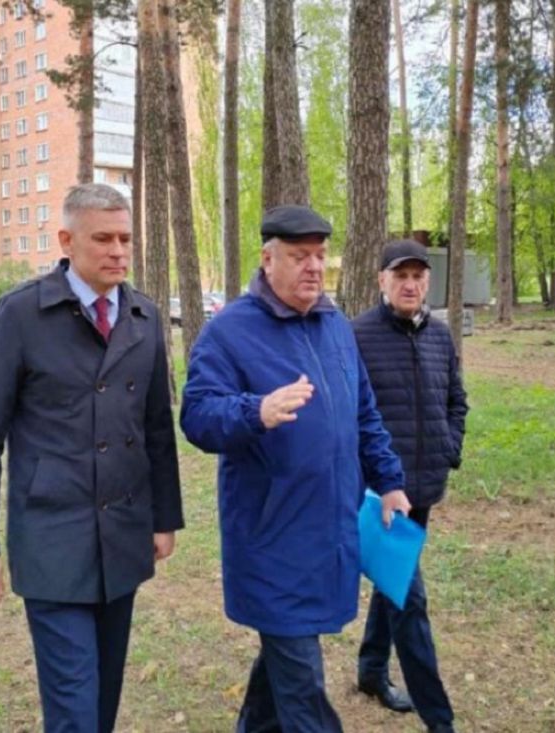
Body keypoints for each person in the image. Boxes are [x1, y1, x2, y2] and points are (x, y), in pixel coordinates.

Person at [0, 183, 184, 733]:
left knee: (103, 699)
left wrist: (164, 518)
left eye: (124, 238)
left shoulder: (144, 317)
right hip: (52, 538)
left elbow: (156, 428)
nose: (118, 251)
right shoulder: (21, 315)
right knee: (74, 708)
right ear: (66, 240)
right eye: (103, 239)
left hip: (122, 536)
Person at [180, 205, 410, 732]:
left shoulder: (335, 326)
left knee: (284, 661)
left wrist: (389, 480)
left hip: (328, 531)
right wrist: (255, 412)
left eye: (320, 255)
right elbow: (196, 416)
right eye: (299, 256)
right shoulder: (229, 332)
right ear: (268, 260)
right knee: (303, 686)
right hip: (271, 538)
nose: (314, 266)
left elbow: (364, 413)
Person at [351, 240, 468, 733]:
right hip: (381, 495)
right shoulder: (357, 335)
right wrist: (370, 478)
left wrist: (448, 448)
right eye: (400, 275)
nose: (410, 284)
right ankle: (439, 719)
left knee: (393, 582)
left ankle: (371, 670)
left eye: (418, 276)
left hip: (424, 486)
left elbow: (456, 400)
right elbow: (350, 414)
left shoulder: (440, 336)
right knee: (408, 597)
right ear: (382, 280)